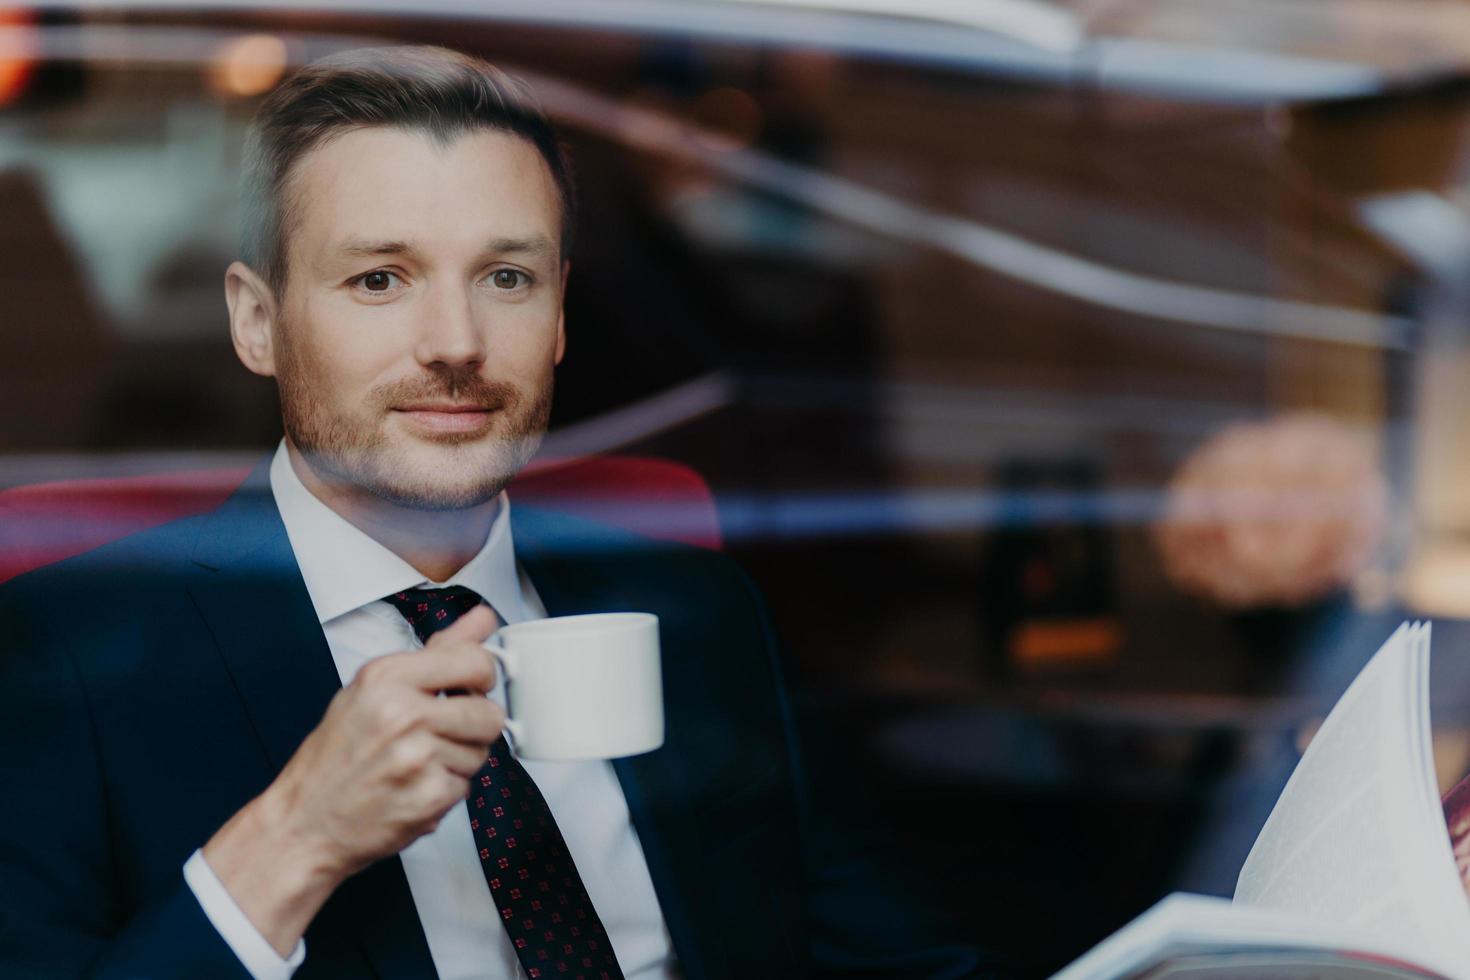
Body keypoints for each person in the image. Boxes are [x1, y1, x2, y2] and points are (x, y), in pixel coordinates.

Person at [0, 46, 996, 980]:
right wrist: (297, 835)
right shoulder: (66, 656)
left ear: (560, 313)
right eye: (379, 278)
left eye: (506, 277)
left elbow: (904, 958)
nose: (456, 342)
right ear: (258, 322)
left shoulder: (699, 612)